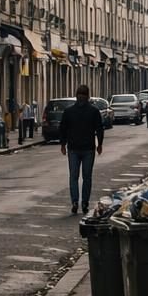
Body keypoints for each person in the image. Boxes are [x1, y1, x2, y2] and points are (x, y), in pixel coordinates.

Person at [58, 85, 106, 216]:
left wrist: (63, 144)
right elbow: (99, 129)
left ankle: (75, 201)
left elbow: (63, 128)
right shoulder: (93, 111)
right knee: (87, 177)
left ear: (76, 95)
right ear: (88, 96)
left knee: (73, 177)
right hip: (88, 148)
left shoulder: (69, 111)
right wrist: (99, 144)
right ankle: (84, 202)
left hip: (73, 148)